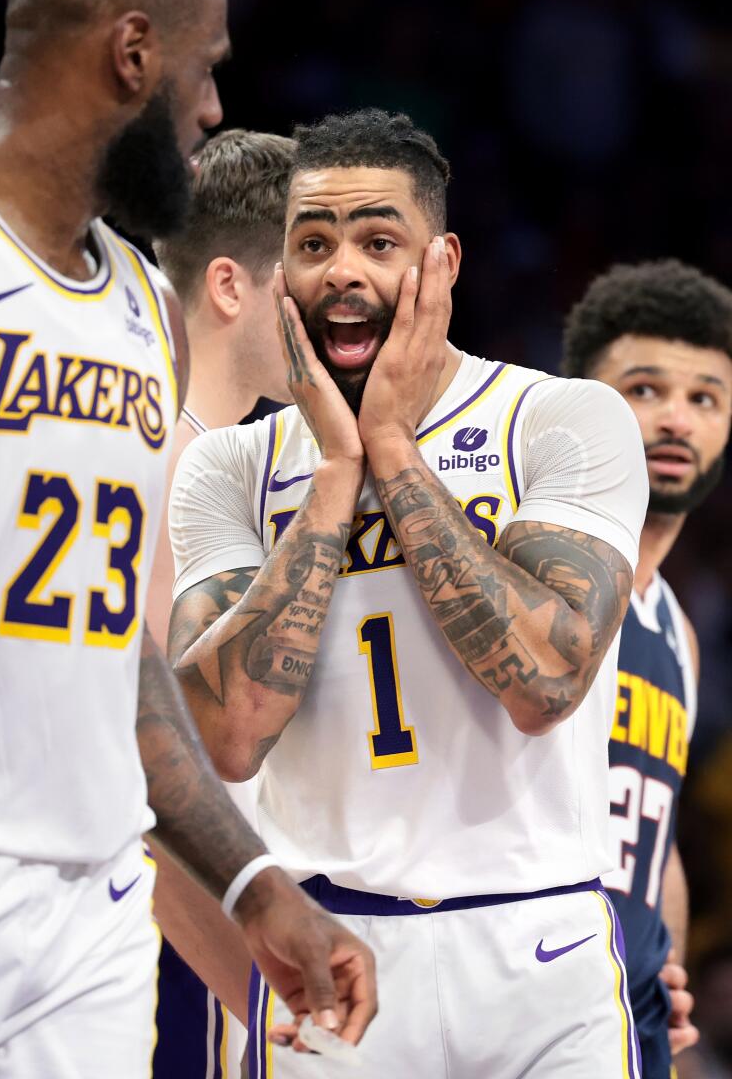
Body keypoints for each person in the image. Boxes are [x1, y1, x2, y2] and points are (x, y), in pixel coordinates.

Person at [0, 0, 375, 1079]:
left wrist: (250, 879)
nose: (211, 110)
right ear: (133, 54)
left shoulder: (138, 303)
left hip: (89, 905)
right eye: (204, 70)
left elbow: (122, 658)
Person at [168, 107, 649, 1077]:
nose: (341, 270)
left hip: (537, 946)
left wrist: (390, 447)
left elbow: (541, 682)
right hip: (326, 954)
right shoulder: (226, 467)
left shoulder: (560, 420)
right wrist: (338, 474)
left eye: (377, 240)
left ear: (442, 264)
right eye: (311, 243)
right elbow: (225, 734)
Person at [146, 128, 295, 1079]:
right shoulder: (166, 459)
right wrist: (263, 992)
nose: (339, 304)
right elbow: (144, 786)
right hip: (171, 954)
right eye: (309, 269)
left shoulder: (247, 467)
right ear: (232, 286)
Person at [562, 260, 732, 1077]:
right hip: (517, 983)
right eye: (644, 389)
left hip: (625, 1005)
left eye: (704, 398)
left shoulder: (678, 628)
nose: (676, 419)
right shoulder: (525, 571)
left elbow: (655, 837)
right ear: (581, 405)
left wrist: (666, 958)